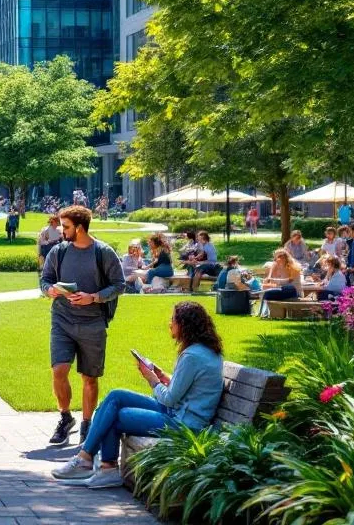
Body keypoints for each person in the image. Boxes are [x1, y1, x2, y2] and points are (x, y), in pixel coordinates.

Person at [52, 302, 224, 489]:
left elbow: (169, 399)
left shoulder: (192, 356)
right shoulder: (205, 351)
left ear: (185, 324)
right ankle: (94, 463)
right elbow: (189, 388)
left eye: (173, 319)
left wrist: (152, 379)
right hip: (180, 412)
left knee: (114, 415)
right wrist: (163, 376)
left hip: (183, 423)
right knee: (115, 396)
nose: (170, 323)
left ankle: (96, 464)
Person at [40, 205, 125, 445]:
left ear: (79, 228)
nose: (60, 231)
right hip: (62, 319)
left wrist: (94, 297)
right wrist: (50, 290)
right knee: (59, 370)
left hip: (92, 323)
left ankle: (87, 424)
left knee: (90, 378)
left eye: (65, 227)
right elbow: (45, 280)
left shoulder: (103, 253)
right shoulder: (59, 252)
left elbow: (119, 285)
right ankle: (66, 418)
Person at [259, 249, 304, 315]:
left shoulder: (293, 267)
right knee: (267, 292)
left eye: (276, 258)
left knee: (269, 294)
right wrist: (269, 282)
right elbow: (280, 284)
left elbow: (289, 281)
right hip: (286, 289)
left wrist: (272, 280)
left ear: (282, 258)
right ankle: (266, 313)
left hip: (294, 291)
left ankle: (265, 313)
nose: (275, 261)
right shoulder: (281, 267)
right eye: (275, 259)